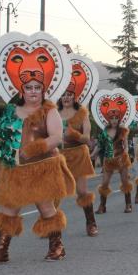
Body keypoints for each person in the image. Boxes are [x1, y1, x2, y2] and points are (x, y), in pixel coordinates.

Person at [0, 33, 75, 264]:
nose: (33, 91)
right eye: (29, 87)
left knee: (45, 207)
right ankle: (2, 250)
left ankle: (57, 247)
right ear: (22, 90)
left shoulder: (49, 111)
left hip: (40, 167)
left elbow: (56, 137)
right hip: (13, 169)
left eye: (37, 87)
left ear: (43, 90)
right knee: (9, 208)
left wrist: (34, 148)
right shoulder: (10, 112)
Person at [58, 75, 98, 237]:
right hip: (59, 155)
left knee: (82, 191)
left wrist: (72, 133)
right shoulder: (53, 113)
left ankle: (91, 222)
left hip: (79, 154)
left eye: (69, 94)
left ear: (74, 96)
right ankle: (52, 227)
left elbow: (87, 138)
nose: (66, 97)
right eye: (63, 94)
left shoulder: (82, 113)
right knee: (54, 192)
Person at [93, 95, 134, 214]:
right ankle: (102, 206)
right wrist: (93, 154)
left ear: (119, 119)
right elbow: (99, 145)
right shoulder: (104, 132)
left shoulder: (123, 131)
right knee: (104, 183)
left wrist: (125, 155)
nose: (114, 120)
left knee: (125, 181)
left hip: (121, 158)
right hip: (108, 159)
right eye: (112, 118)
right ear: (108, 119)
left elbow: (126, 145)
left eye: (116, 118)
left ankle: (128, 204)